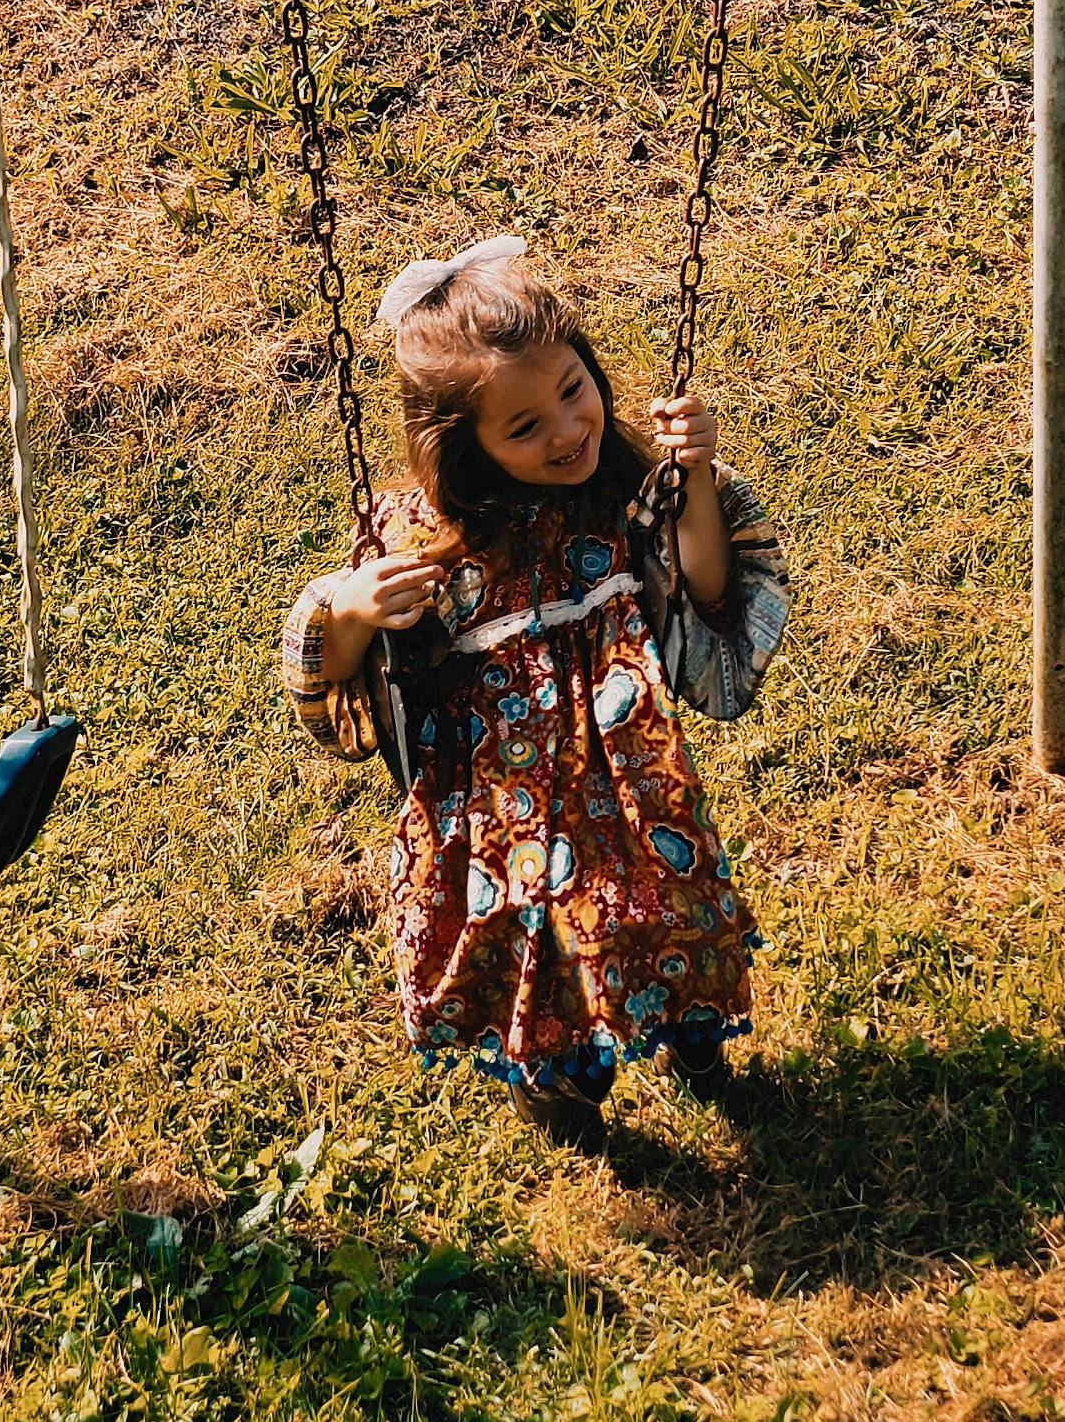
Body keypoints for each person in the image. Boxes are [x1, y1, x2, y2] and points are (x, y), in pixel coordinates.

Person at [282, 235, 790, 1141]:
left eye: (573, 391)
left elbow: (709, 589)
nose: (567, 431)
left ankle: (690, 1032)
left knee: (668, 906)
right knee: (536, 944)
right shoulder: (420, 531)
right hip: (500, 808)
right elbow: (340, 673)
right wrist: (358, 606)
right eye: (523, 428)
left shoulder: (624, 488)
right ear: (464, 447)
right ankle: (560, 1081)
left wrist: (698, 474)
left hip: (631, 785)